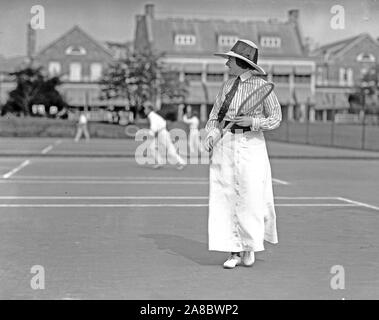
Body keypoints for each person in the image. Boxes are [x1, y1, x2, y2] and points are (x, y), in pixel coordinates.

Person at [203, 39, 282, 269]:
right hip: (225, 146)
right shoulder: (226, 87)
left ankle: (249, 248)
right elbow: (215, 116)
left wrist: (253, 121)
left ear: (242, 63)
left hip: (252, 145)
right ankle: (234, 252)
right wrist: (210, 135)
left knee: (250, 197)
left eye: (230, 59)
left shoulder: (261, 87)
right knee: (225, 197)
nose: (227, 62)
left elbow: (275, 118)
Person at [143, 101, 186, 170]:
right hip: (160, 133)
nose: (144, 110)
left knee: (170, 150)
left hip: (162, 134)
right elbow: (157, 126)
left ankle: (181, 162)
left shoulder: (152, 115)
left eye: (145, 109)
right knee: (152, 147)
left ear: (149, 109)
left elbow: (154, 128)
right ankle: (160, 162)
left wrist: (150, 134)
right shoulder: (152, 115)